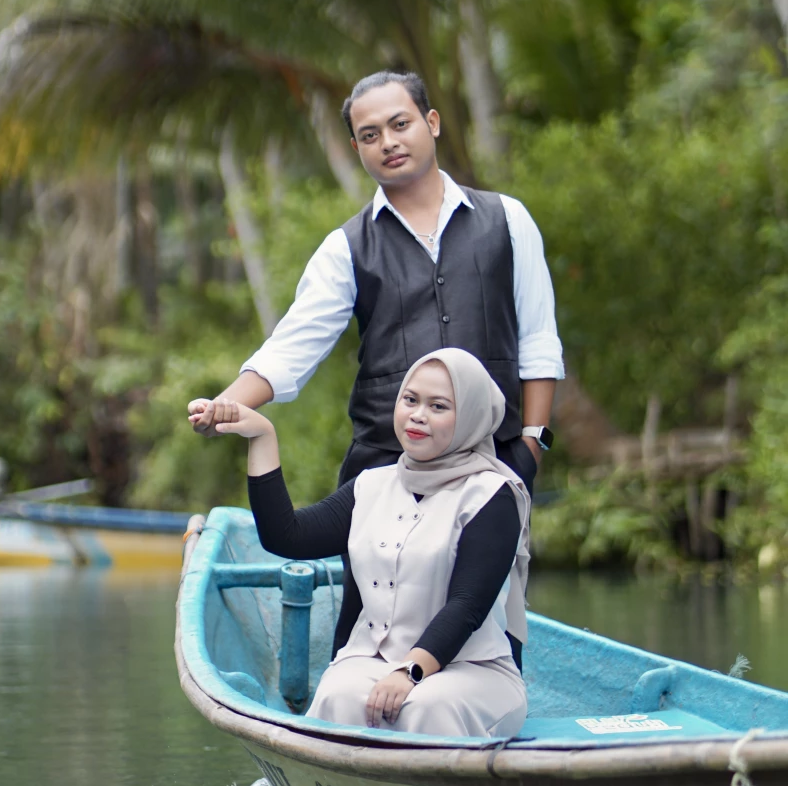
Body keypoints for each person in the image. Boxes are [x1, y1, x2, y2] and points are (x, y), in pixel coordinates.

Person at [189, 70, 564, 499]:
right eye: (370, 135)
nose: (388, 142)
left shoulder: (507, 219)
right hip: (385, 475)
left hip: (494, 468)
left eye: (400, 124)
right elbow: (292, 348)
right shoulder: (345, 247)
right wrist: (225, 405)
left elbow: (538, 341)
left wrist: (531, 447)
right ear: (356, 148)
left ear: (432, 122)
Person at [213, 349, 530, 738]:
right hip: (372, 660)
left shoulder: (491, 494)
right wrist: (262, 436)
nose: (418, 415)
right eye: (410, 400)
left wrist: (409, 671)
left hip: (472, 670)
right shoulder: (371, 485)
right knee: (338, 696)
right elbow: (287, 536)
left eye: (438, 406)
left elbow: (468, 605)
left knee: (427, 707)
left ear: (471, 416)